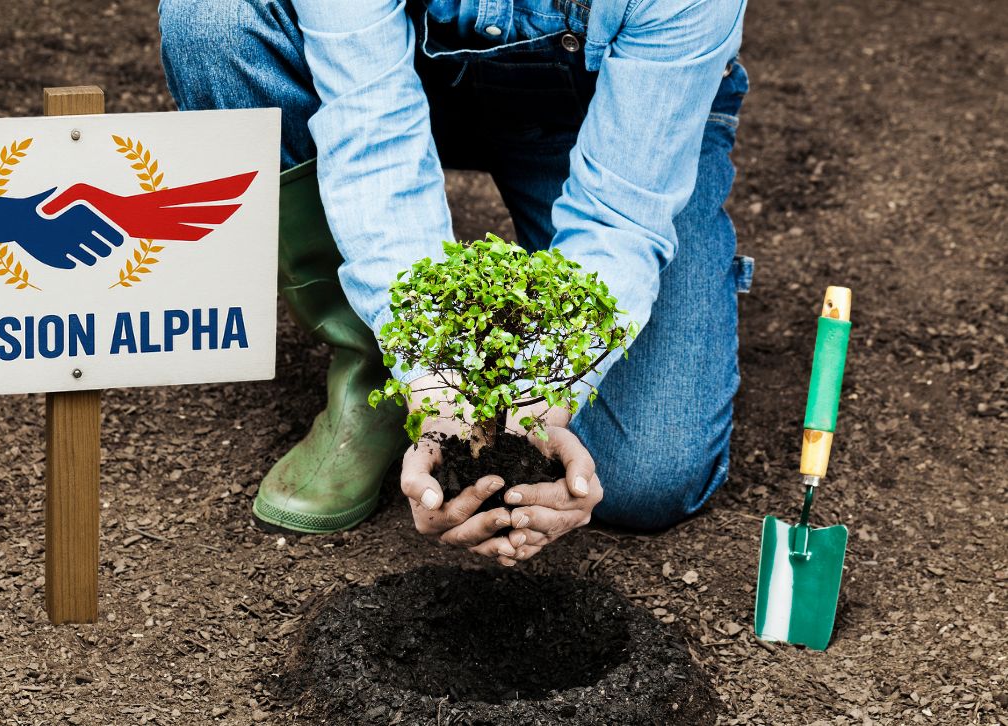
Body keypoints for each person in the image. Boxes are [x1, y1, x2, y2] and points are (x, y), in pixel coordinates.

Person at [159, 0, 754, 563]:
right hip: (406, 77)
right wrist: (432, 376)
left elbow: (618, 214)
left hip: (610, 109)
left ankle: (492, 351)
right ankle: (375, 373)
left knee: (644, 476)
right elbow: (373, 134)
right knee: (212, 18)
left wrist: (543, 398)